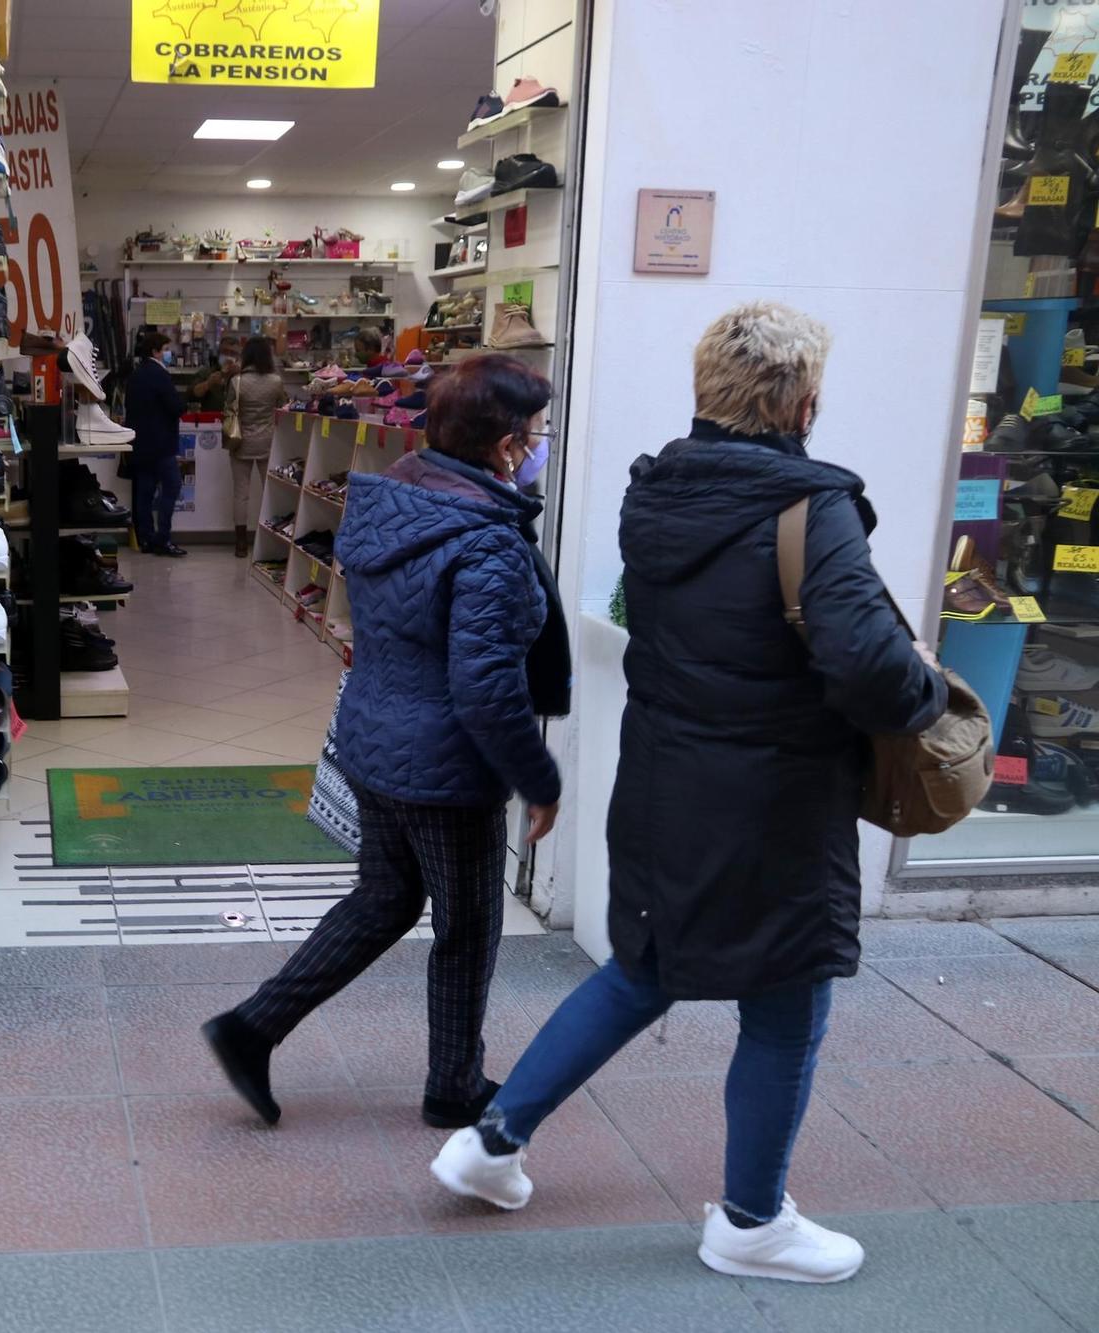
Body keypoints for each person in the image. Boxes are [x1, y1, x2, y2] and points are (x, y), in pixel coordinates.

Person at [431, 302, 948, 1285]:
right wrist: (921, 676)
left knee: (645, 964)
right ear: (802, 400)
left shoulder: (656, 489)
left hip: (663, 776)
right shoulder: (812, 507)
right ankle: (750, 1221)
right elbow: (870, 671)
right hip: (772, 801)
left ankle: (488, 1144)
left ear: (705, 391)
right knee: (786, 1000)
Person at [203, 354, 570, 1129]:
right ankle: (455, 1086)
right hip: (444, 767)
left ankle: (251, 1027)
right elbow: (485, 688)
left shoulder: (388, 501)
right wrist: (538, 777)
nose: (538, 446)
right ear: (506, 446)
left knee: (387, 896)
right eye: (534, 434)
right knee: (468, 927)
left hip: (373, 737)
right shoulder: (487, 544)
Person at [124, 327, 188, 557]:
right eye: (167, 349)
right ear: (156, 351)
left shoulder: (136, 374)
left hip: (140, 444)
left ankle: (146, 539)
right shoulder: (160, 375)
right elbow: (176, 407)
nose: (169, 353)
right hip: (162, 445)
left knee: (144, 492)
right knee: (171, 487)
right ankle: (163, 539)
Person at [230, 336, 290, 555]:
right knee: (270, 491)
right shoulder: (275, 381)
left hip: (240, 441)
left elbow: (228, 410)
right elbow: (284, 406)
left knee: (241, 494)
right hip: (267, 441)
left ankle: (240, 543)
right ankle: (272, 540)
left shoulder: (237, 382)